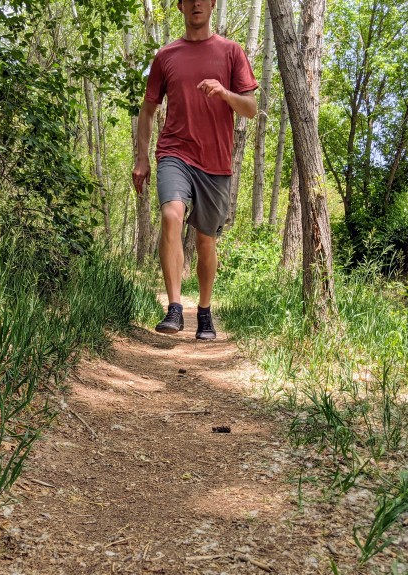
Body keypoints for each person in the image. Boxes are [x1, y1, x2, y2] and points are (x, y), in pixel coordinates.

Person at [132, 0, 258, 340]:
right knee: (171, 215)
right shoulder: (166, 56)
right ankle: (174, 307)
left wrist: (224, 92)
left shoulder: (231, 52)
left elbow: (251, 108)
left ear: (213, 4)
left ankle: (204, 311)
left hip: (215, 162)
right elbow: (147, 111)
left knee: (205, 240)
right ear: (181, 7)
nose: (197, 3)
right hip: (175, 152)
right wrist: (142, 158)